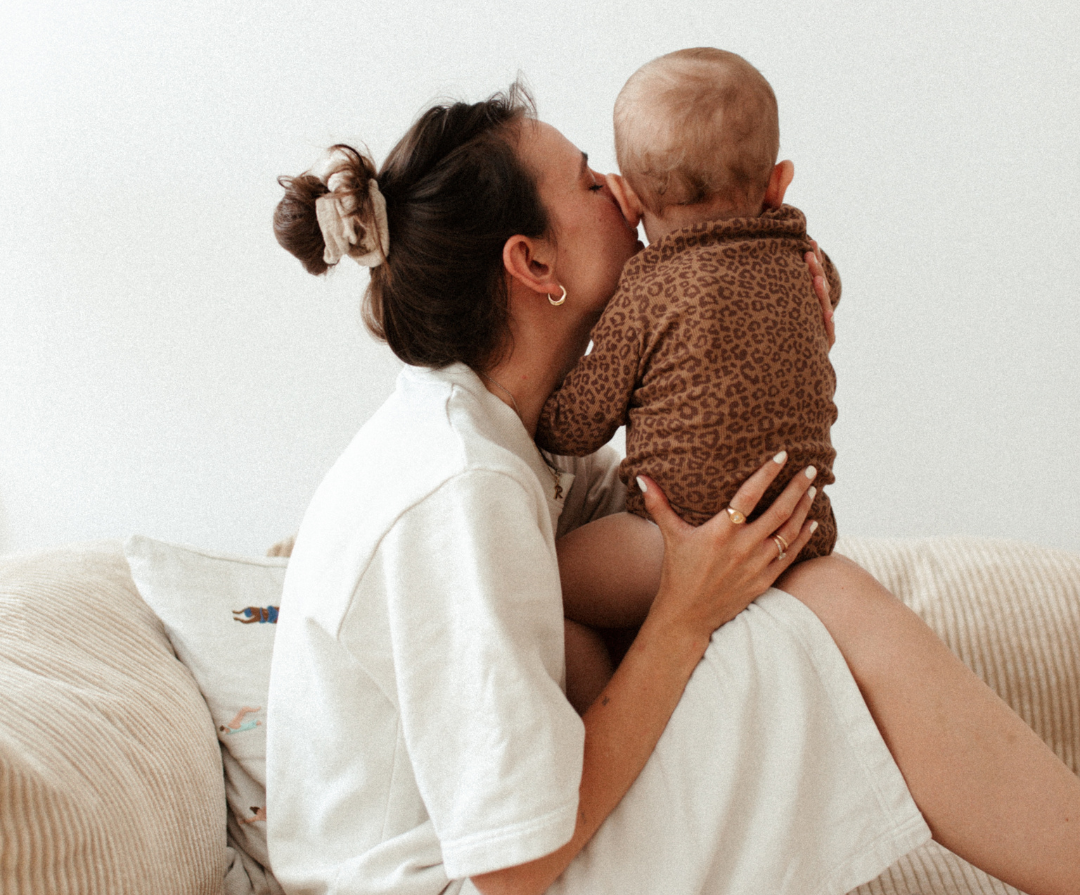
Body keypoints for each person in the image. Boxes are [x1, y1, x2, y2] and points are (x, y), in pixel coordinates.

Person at [266, 84, 1080, 895]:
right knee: (835, 610)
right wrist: (684, 616)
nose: (627, 192)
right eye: (591, 181)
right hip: (472, 880)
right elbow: (512, 868)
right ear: (533, 263)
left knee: (796, 595)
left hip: (509, 850)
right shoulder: (459, 483)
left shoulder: (503, 435)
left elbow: (669, 536)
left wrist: (757, 334)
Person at [535, 48, 840, 708]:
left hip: (678, 544)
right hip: (802, 532)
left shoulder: (644, 291)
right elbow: (826, 288)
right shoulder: (801, 255)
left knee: (537, 582)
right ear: (779, 182)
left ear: (631, 199)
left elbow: (578, 425)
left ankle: (603, 705)